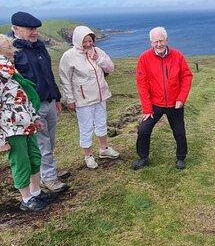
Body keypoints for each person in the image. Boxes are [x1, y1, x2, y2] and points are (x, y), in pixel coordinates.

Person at [11, 12, 68, 193]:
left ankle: (47, 172)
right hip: (32, 106)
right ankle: (50, 178)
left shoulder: (39, 47)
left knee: (50, 141)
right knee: (42, 143)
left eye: (35, 29)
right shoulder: (12, 52)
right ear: (15, 29)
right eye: (29, 29)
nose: (34, 32)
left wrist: (57, 98)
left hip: (49, 100)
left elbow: (48, 75)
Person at [0, 35, 52, 211]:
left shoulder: (13, 72)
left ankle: (36, 192)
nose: (13, 52)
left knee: (34, 157)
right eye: (9, 48)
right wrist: (1, 140)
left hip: (27, 125)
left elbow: (24, 99)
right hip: (12, 130)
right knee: (21, 162)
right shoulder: (2, 74)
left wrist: (35, 118)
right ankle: (26, 199)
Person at [59, 26, 119, 169]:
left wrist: (98, 59)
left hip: (100, 95)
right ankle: (88, 156)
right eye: (84, 41)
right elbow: (65, 78)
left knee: (101, 122)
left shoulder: (98, 51)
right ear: (77, 40)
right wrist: (70, 99)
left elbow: (110, 68)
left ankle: (104, 149)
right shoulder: (69, 56)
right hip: (83, 99)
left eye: (90, 41)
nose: (88, 44)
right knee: (86, 127)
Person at [132, 26, 193, 170]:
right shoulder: (144, 58)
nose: (158, 44)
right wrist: (147, 108)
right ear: (151, 43)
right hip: (155, 104)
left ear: (166, 40)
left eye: (161, 40)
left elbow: (187, 77)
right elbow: (142, 84)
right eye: (155, 41)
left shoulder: (177, 56)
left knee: (179, 131)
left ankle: (180, 158)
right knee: (143, 130)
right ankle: (143, 158)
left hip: (175, 103)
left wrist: (181, 98)